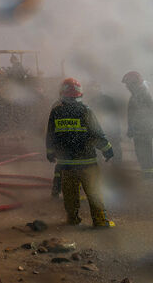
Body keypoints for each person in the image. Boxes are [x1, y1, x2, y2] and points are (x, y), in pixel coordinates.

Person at [46, 78, 115, 227]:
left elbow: (50, 135)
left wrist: (50, 153)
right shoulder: (85, 111)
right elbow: (96, 134)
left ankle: (72, 219)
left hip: (66, 164)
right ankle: (100, 221)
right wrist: (107, 150)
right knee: (94, 193)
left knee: (70, 195)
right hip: (87, 162)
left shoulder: (56, 111)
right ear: (79, 94)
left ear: (61, 93)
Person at [122, 71, 153, 179]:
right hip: (141, 129)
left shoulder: (141, 95)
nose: (127, 87)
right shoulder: (138, 94)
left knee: (143, 152)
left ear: (134, 83)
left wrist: (132, 128)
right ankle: (147, 173)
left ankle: (148, 175)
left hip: (142, 130)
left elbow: (140, 114)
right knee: (142, 152)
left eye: (128, 84)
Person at [88, 83, 124, 163]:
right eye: (91, 89)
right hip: (99, 130)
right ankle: (103, 169)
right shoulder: (91, 102)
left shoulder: (108, 100)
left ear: (99, 89)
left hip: (110, 129)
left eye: (95, 88)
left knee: (115, 149)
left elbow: (115, 116)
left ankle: (116, 167)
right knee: (98, 151)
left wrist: (117, 132)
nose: (93, 91)